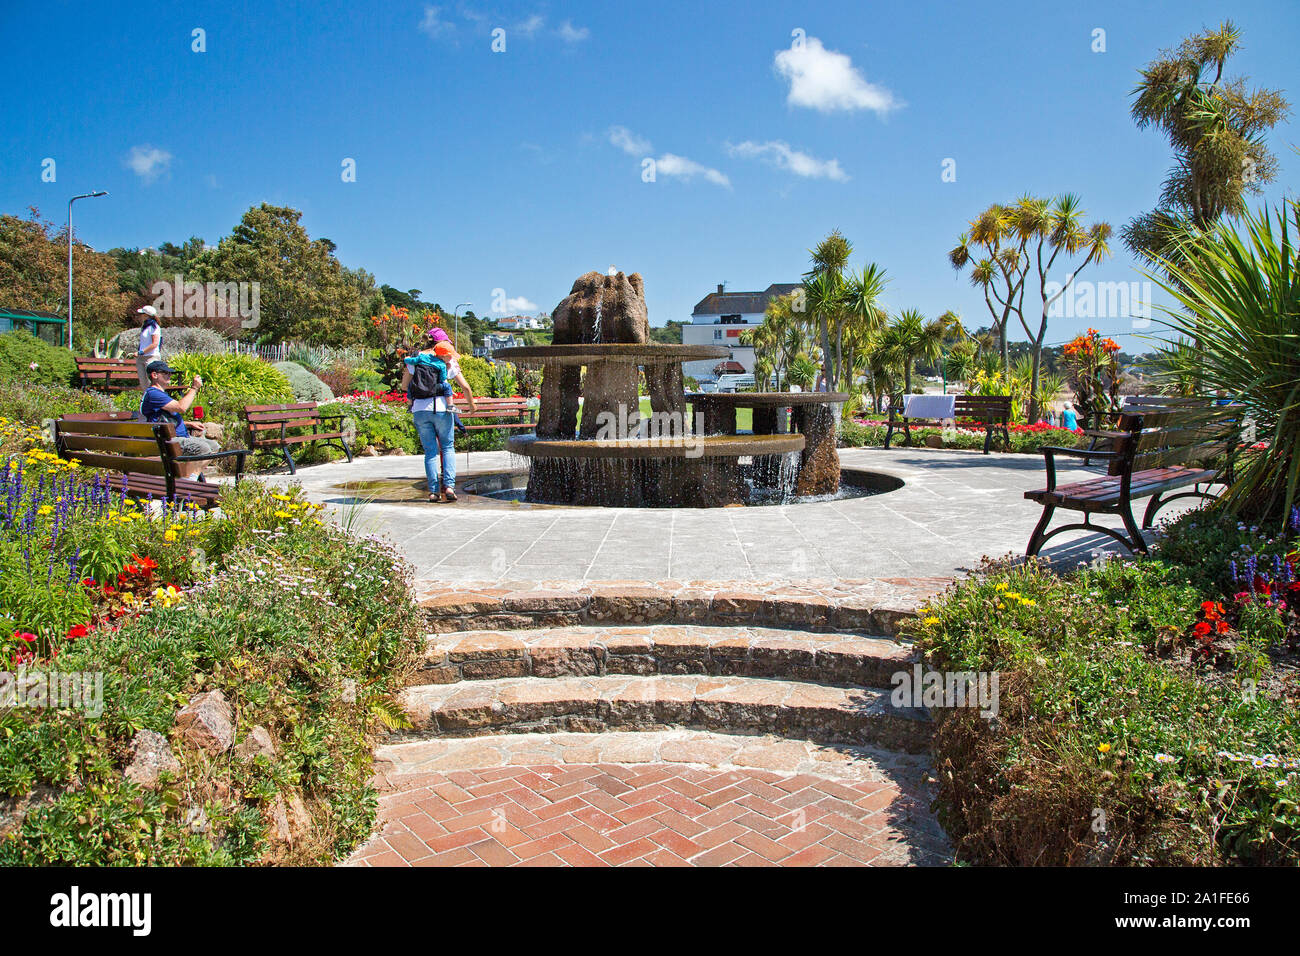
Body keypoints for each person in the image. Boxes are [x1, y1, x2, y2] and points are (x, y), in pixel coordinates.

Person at [402, 328, 477, 503]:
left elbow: (405, 386)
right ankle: (449, 487)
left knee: (429, 452)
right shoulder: (446, 359)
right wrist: (472, 405)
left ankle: (433, 492)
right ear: (443, 343)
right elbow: (465, 387)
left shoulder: (416, 358)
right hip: (442, 409)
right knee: (448, 447)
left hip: (420, 410)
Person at [139, 360, 220, 479]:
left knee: (214, 446)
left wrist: (188, 423)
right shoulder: (153, 394)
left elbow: (162, 419)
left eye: (170, 373)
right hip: (167, 441)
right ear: (154, 375)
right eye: (165, 373)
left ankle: (188, 476)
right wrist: (194, 388)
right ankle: (188, 482)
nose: (169, 375)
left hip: (173, 437)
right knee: (203, 448)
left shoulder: (159, 394)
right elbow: (181, 407)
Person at [135, 306, 162, 388]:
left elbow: (155, 343)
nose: (140, 316)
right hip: (141, 358)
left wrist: (141, 352)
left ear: (147, 315)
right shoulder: (145, 327)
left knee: (152, 383)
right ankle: (146, 399)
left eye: (142, 314)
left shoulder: (154, 327)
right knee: (143, 383)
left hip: (151, 357)